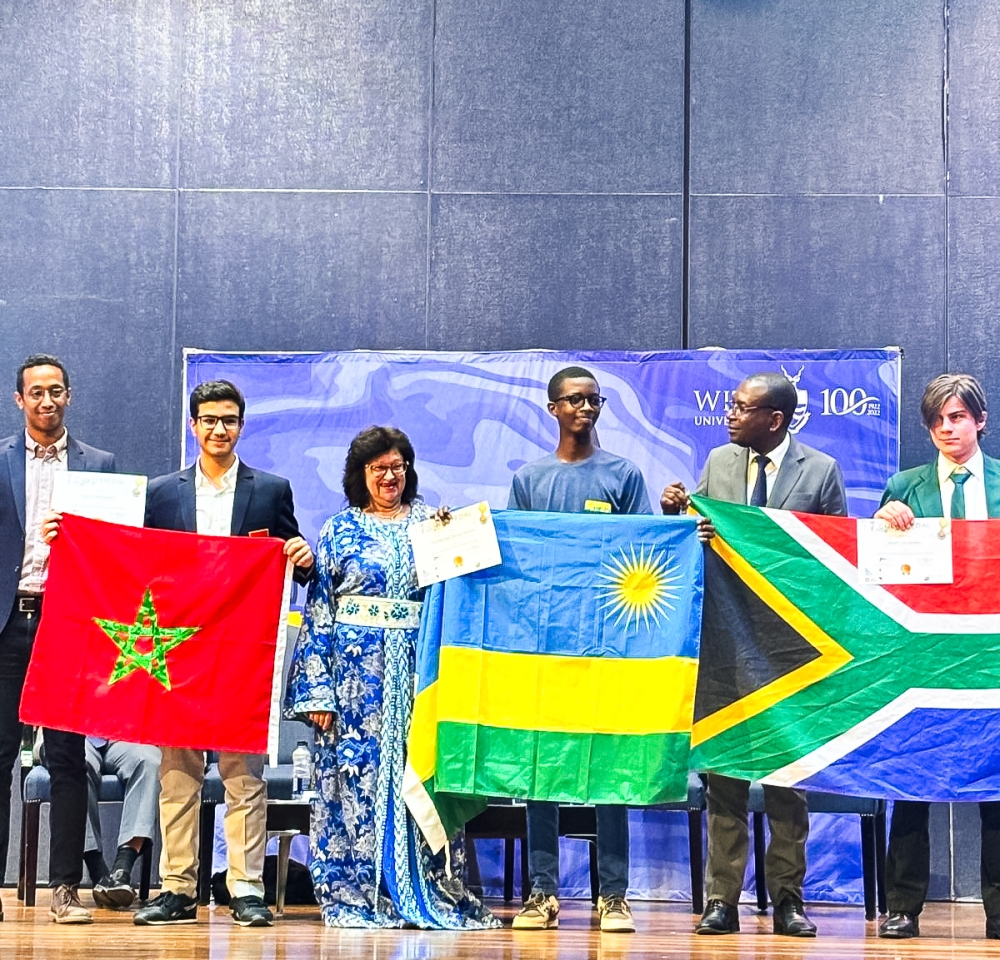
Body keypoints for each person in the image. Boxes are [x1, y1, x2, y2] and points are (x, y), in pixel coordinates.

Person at [284, 426, 498, 930]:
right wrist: (320, 690)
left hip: (422, 675)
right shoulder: (339, 529)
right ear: (361, 474)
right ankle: (361, 889)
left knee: (417, 775)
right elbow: (320, 611)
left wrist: (467, 534)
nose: (389, 476)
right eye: (378, 468)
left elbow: (466, 593)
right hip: (356, 683)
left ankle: (426, 887)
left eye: (397, 466)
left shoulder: (434, 523)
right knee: (357, 782)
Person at [661, 371, 847, 938]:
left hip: (792, 651)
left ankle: (789, 899)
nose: (730, 415)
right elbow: (701, 537)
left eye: (742, 408)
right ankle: (723, 901)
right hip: (726, 642)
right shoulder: (718, 464)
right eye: (731, 405)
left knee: (788, 781)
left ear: (776, 419)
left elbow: (834, 559)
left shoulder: (821, 472)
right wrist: (678, 514)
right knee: (725, 779)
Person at [132, 379, 315, 928]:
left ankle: (246, 887)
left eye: (229, 420)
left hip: (243, 652)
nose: (219, 429)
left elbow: (295, 556)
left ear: (241, 425)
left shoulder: (271, 490)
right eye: (209, 419)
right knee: (178, 775)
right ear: (194, 425)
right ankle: (178, 888)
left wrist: (302, 558)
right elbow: (133, 564)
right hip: (178, 652)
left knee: (244, 777)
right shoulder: (162, 493)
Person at [508, 366, 652, 934]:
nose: (585, 408)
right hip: (543, 644)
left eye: (594, 400)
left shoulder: (623, 474)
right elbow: (514, 555)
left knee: (608, 768)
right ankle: (543, 892)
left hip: (608, 645)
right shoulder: (530, 479)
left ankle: (613, 894)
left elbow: (646, 555)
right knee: (541, 767)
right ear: (553, 409)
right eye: (574, 400)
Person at [873, 373, 1000, 940]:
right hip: (921, 658)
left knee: (996, 791)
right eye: (937, 421)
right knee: (911, 783)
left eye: (957, 417)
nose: (947, 429)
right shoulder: (905, 485)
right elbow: (873, 572)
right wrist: (882, 525)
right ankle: (903, 907)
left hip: (991, 655)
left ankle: (998, 911)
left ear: (980, 421)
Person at [0, 353, 116, 924]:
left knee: (69, 758)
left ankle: (66, 889)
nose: (46, 401)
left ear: (69, 395)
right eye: (35, 392)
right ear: (19, 400)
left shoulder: (100, 464)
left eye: (55, 391)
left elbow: (120, 548)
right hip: (8, 623)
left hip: (70, 623)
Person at [83, 738, 161, 909]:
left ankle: (122, 869)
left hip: (123, 733)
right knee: (73, 762)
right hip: (74, 732)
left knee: (150, 761)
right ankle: (98, 873)